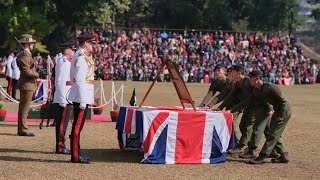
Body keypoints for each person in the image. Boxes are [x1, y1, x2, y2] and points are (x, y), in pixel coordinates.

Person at [229, 69, 291, 164]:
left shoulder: (269, 86)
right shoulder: (257, 91)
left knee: (273, 134)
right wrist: (231, 110)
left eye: (251, 78)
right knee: (273, 132)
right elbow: (246, 102)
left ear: (257, 79)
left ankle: (262, 156)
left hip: (284, 111)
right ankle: (283, 155)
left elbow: (283, 101)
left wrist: (282, 115)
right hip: (278, 111)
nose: (249, 80)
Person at [68, 34, 96, 164]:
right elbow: (79, 80)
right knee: (77, 127)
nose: (93, 46)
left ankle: (77, 152)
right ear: (85, 43)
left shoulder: (83, 56)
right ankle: (75, 156)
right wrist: (83, 101)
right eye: (91, 43)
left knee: (78, 127)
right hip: (81, 98)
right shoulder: (81, 58)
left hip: (82, 96)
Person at [53, 42, 75, 154]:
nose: (73, 52)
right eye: (72, 49)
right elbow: (60, 82)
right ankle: (60, 146)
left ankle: (61, 145)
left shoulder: (65, 62)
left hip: (66, 97)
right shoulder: (64, 62)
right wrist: (62, 100)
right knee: (62, 124)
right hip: (64, 98)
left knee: (64, 123)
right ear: (67, 50)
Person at [16, 34, 39, 137]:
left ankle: (22, 128)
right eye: (31, 42)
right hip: (27, 84)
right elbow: (26, 72)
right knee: (24, 108)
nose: (33, 44)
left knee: (24, 107)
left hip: (28, 84)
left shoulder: (26, 54)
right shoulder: (25, 55)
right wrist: (36, 74)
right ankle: (23, 129)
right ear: (27, 43)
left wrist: (36, 68)